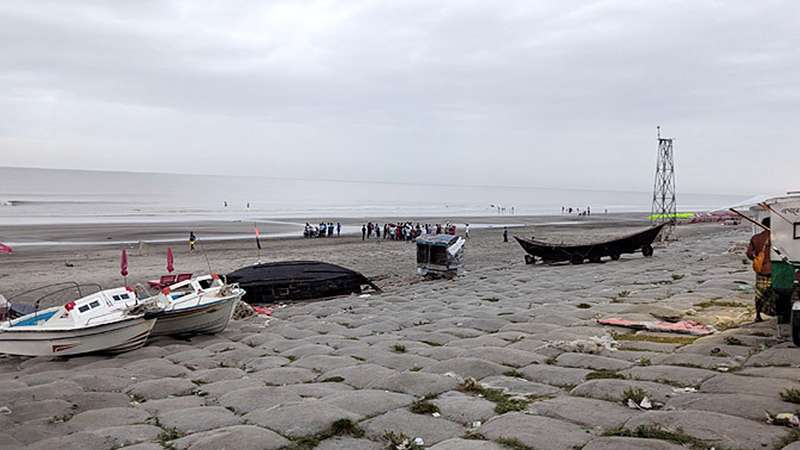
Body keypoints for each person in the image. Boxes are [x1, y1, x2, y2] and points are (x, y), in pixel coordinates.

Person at [746, 217, 773, 322]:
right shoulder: (779, 237)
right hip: (777, 269)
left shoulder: (756, 238)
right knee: (778, 291)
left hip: (762, 269)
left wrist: (757, 258)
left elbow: (749, 253)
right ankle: (779, 313)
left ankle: (758, 315)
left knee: (760, 293)